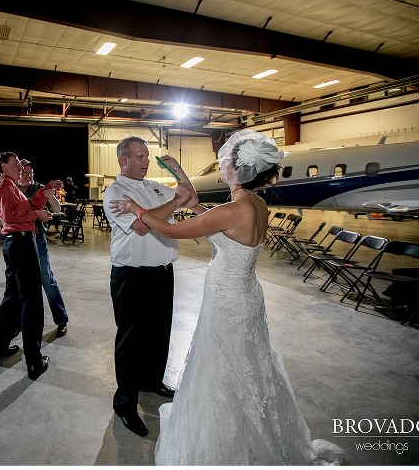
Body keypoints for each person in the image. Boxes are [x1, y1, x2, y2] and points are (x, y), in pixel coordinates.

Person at [109, 130, 343, 464]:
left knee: (221, 362)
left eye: (226, 162)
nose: (222, 165)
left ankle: (227, 433)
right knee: (247, 362)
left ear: (237, 170)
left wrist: (135, 207)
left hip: (227, 299)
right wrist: (185, 191)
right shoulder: (256, 204)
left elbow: (174, 230)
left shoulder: (233, 209)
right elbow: (215, 220)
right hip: (245, 295)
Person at [101, 136, 198, 437]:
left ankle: (152, 382)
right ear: (123, 159)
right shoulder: (115, 192)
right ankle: (125, 402)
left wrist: (178, 169)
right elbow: (143, 226)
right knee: (131, 341)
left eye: (147, 156)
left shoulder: (154, 187)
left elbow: (191, 199)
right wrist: (174, 202)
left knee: (159, 333)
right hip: (132, 275)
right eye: (140, 156)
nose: (146, 161)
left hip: (162, 272)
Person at [0, 151, 62, 380]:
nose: (20, 166)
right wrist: (36, 215)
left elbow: (26, 204)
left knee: (12, 299)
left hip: (15, 244)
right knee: (32, 303)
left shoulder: (9, 186)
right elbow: (12, 216)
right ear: (3, 165)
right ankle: (34, 362)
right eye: (16, 163)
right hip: (20, 243)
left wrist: (45, 189)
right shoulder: (4, 185)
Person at [17, 159, 69, 336]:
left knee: (46, 278)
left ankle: (61, 319)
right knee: (20, 282)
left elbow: (56, 208)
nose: (28, 176)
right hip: (19, 239)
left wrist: (51, 197)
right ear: (18, 172)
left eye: (31, 172)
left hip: (37, 237)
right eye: (25, 172)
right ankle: (19, 322)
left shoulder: (39, 187)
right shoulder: (11, 189)